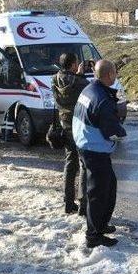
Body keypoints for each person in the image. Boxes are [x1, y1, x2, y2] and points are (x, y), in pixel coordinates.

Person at [72, 59, 126, 248]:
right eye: (115, 73)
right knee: (98, 193)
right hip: (94, 149)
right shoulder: (102, 99)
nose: (116, 76)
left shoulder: (90, 89)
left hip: (85, 144)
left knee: (109, 186)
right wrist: (121, 134)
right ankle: (93, 235)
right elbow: (111, 129)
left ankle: (100, 224)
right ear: (109, 75)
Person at [52, 53, 89, 215]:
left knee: (69, 164)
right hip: (79, 125)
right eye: (77, 63)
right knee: (83, 164)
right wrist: (81, 74)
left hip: (64, 123)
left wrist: (77, 74)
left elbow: (68, 86)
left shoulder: (54, 79)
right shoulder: (80, 81)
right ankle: (83, 204)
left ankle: (68, 203)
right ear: (73, 64)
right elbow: (88, 87)